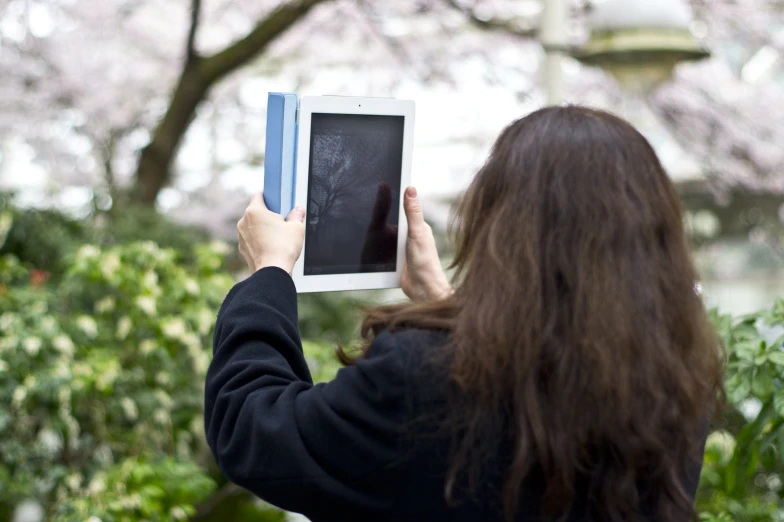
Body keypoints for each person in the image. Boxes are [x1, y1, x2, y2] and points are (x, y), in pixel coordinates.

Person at [204, 106, 724, 522]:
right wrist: (443, 303)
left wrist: (269, 273)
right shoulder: (677, 376)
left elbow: (253, 428)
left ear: (500, 226)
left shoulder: (420, 376)